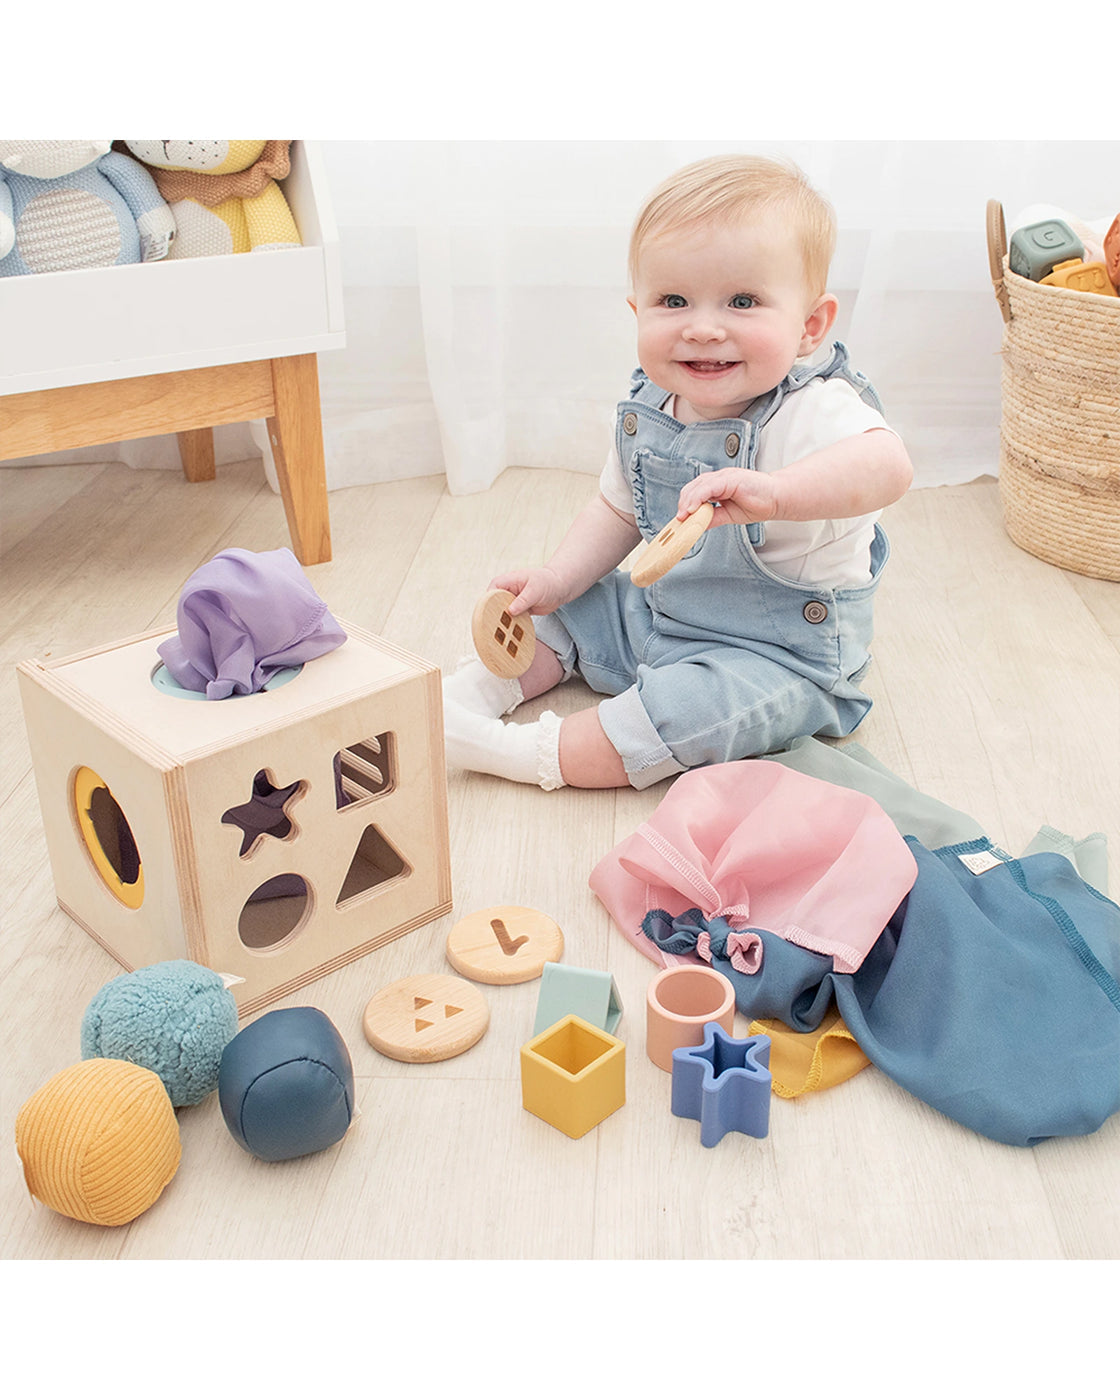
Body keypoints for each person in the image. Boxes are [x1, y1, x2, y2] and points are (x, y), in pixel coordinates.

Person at [443, 153, 914, 792]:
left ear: (809, 327)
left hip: (775, 655)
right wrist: (559, 576)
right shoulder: (649, 409)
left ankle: (516, 753)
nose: (702, 327)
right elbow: (615, 510)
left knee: (688, 714)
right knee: (570, 609)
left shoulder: (815, 408)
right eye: (674, 300)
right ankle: (471, 695)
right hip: (662, 611)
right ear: (638, 311)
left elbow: (888, 465)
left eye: (742, 301)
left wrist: (778, 494)